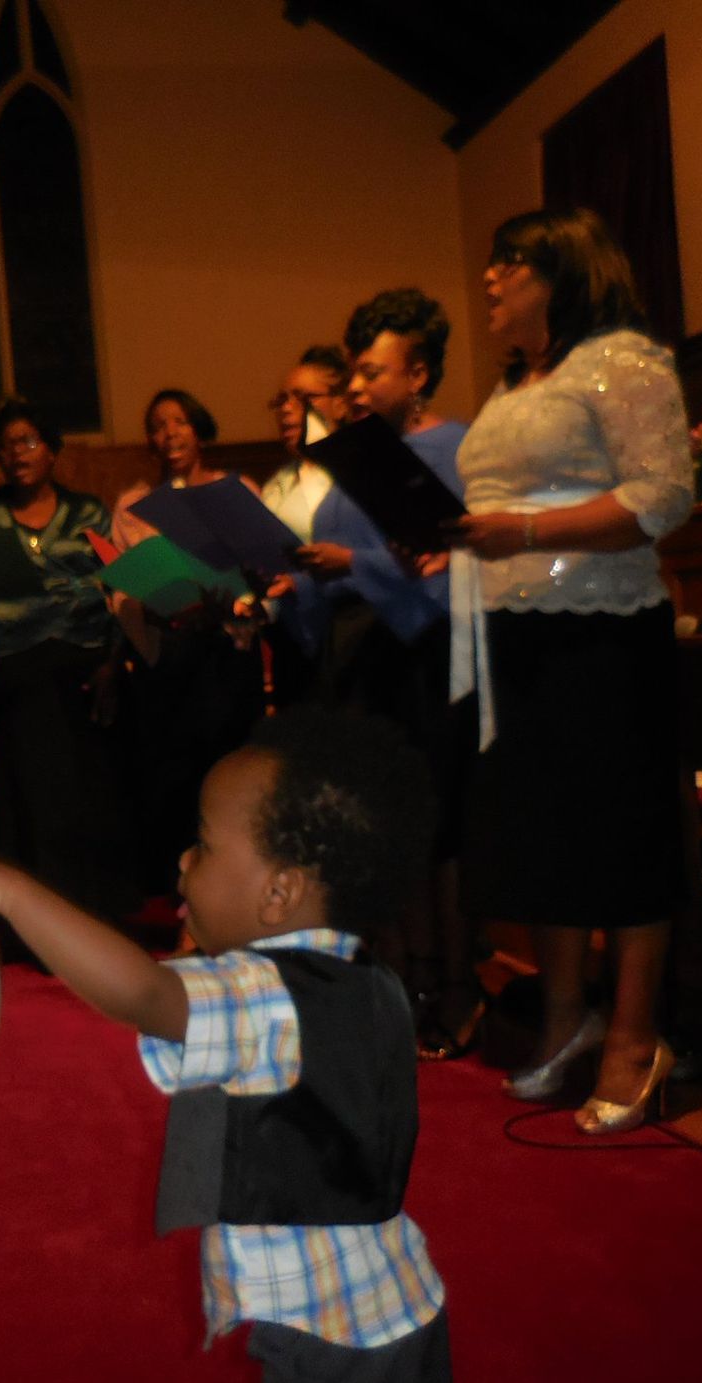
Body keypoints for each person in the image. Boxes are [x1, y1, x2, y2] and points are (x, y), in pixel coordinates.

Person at [0, 706, 453, 1383]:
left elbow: (146, 995)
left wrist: (10, 891)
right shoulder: (356, 976)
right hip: (386, 1300)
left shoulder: (267, 995)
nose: (183, 861)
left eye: (205, 847)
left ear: (277, 893)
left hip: (330, 1336)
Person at [449, 207, 695, 1135]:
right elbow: (495, 503)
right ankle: (564, 1020)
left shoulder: (623, 360)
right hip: (514, 631)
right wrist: (461, 546)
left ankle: (635, 1037)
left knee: (619, 832)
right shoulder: (517, 385)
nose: (490, 280)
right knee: (541, 836)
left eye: (508, 264)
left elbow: (662, 497)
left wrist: (520, 533)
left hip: (603, 631)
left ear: (562, 273)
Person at [279, 291, 476, 1058]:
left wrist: (353, 565)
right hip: (362, 665)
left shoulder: (459, 447)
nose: (356, 390)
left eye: (371, 373)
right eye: (352, 375)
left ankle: (458, 983)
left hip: (428, 654)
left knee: (442, 826)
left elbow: (459, 563)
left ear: (418, 373)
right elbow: (328, 568)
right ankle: (405, 982)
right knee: (387, 832)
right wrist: (284, 588)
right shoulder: (355, 455)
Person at [0, 402, 134, 927]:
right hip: (20, 674)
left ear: (53, 451)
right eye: (8, 444)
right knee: (28, 798)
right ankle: (33, 923)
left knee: (90, 793)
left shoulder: (88, 514)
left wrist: (112, 665)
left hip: (84, 668)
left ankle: (97, 913)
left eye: (29, 440)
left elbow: (121, 589)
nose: (18, 453)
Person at [109, 389, 265, 895]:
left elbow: (263, 566)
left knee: (228, 777)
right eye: (158, 424)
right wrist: (146, 601)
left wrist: (234, 595)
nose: (169, 432)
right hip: (167, 658)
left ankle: (236, 891)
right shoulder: (133, 506)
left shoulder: (234, 491)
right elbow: (120, 587)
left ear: (199, 430)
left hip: (223, 653)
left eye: (180, 421)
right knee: (176, 785)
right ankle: (186, 898)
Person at [257, 346, 348, 706]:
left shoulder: (355, 474)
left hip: (345, 637)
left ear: (340, 404)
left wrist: (301, 582)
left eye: (304, 398)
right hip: (289, 640)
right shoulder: (277, 485)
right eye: (282, 400)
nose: (288, 409)